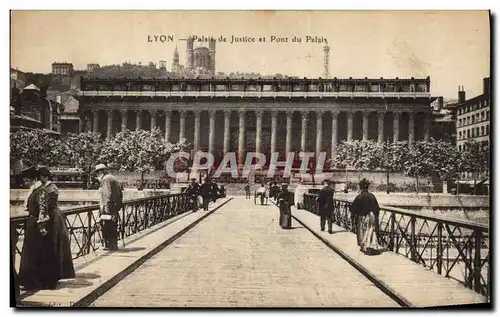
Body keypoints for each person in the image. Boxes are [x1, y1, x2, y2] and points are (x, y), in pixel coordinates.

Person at [18, 166, 76, 290]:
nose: (25, 183)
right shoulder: (39, 189)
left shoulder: (41, 190)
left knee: (35, 253)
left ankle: (34, 281)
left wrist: (41, 226)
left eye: (27, 180)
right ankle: (34, 281)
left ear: (33, 179)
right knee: (35, 253)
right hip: (34, 224)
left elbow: (43, 210)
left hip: (37, 225)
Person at [94, 164, 123, 251]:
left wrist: (106, 207)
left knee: (107, 226)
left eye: (97, 173)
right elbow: (120, 193)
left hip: (109, 207)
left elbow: (107, 194)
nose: (97, 175)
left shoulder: (105, 179)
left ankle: (108, 245)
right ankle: (113, 245)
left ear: (101, 172)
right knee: (113, 226)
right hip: (114, 207)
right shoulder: (112, 178)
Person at [349, 178, 381, 254]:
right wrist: (376, 217)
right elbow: (377, 209)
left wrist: (353, 218)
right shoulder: (372, 196)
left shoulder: (359, 197)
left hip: (362, 216)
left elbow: (353, 209)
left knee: (362, 230)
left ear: (361, 187)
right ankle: (370, 245)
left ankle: (363, 246)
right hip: (371, 216)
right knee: (370, 230)